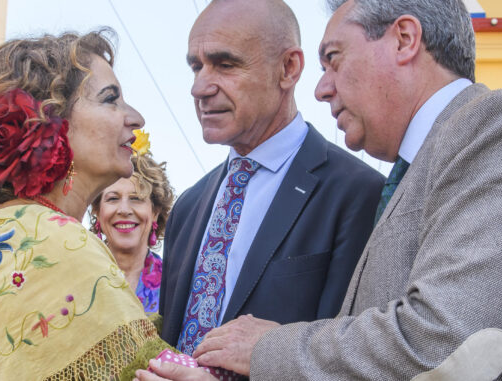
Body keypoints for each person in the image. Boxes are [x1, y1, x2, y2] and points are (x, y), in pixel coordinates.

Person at [138, 0, 502, 379]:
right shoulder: (414, 173)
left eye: (333, 58)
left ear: (404, 39)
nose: (321, 89)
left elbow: (442, 341)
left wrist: (265, 348)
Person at [0, 30, 174, 380]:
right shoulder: (61, 245)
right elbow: (152, 366)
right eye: (111, 99)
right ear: (55, 123)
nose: (135, 117)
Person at [159, 0, 385, 357]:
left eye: (225, 64)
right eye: (196, 67)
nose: (200, 87)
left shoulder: (358, 194)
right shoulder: (188, 206)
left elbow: (354, 360)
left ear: (288, 68)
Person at [90, 150, 174, 313]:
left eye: (136, 199)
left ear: (155, 212)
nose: (124, 210)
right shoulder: (79, 275)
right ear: (98, 212)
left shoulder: (174, 285)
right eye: (113, 199)